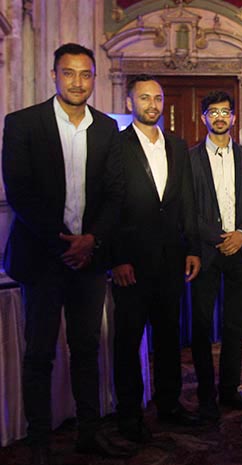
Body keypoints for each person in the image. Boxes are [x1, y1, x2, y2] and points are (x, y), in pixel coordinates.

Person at [1, 43, 129, 463]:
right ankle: (39, 442)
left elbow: (115, 193)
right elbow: (20, 191)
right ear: (54, 75)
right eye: (69, 73)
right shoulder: (22, 123)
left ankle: (88, 434)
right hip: (43, 258)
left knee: (87, 349)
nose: (77, 82)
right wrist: (65, 242)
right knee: (40, 352)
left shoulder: (107, 129)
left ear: (95, 77)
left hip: (90, 260)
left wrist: (91, 240)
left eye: (85, 74)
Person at [111, 74, 201, 443]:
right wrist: (117, 257)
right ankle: (129, 417)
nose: (152, 104)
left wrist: (193, 247)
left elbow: (186, 202)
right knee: (128, 341)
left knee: (168, 338)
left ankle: (169, 405)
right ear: (130, 102)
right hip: (131, 264)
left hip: (171, 261)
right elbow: (109, 205)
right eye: (144, 98)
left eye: (158, 98)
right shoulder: (115, 146)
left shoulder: (178, 146)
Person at [188, 91, 242, 421]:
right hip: (204, 253)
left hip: (240, 251)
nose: (219, 117)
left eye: (225, 112)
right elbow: (186, 212)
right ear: (204, 117)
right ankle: (205, 394)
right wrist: (219, 238)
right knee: (202, 326)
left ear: (234, 118)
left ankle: (230, 390)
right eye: (213, 111)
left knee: (235, 326)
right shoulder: (188, 160)